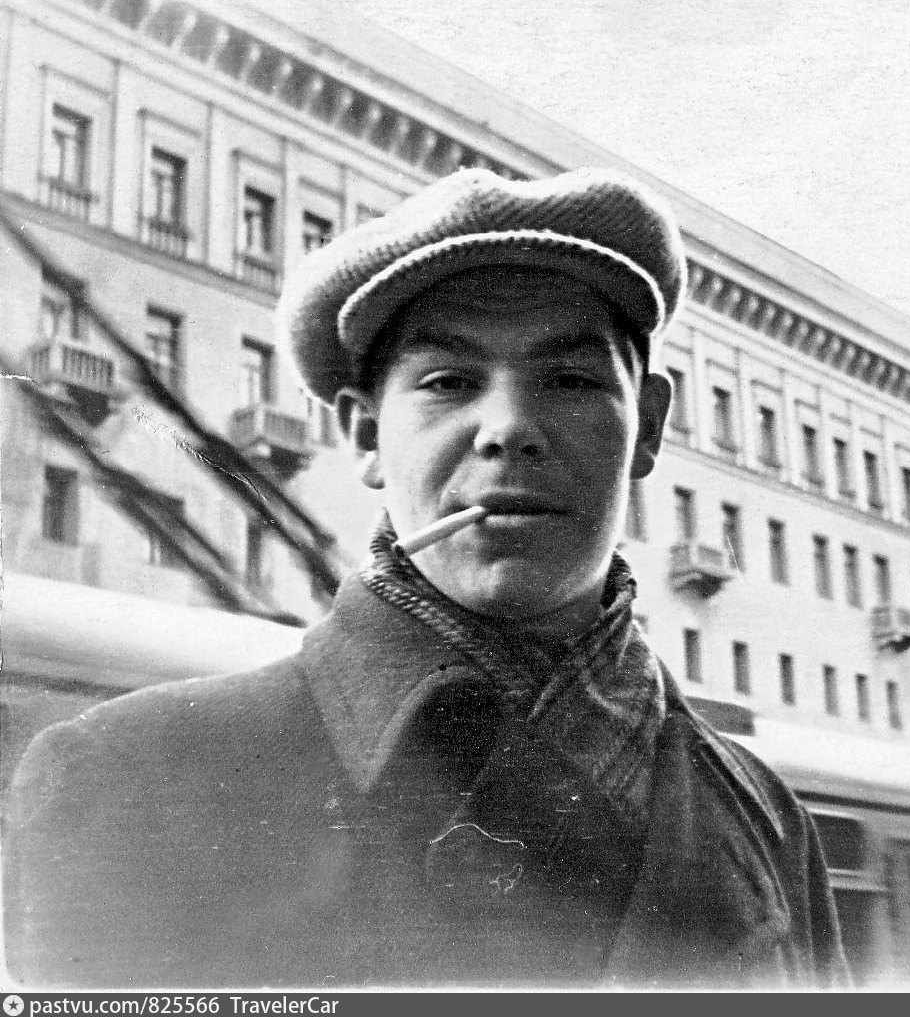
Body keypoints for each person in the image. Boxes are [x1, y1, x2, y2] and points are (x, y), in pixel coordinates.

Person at [3, 167, 850, 990]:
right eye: (449, 382)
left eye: (570, 380)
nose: (509, 428)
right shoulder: (127, 784)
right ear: (364, 435)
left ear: (649, 428)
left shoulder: (766, 815)